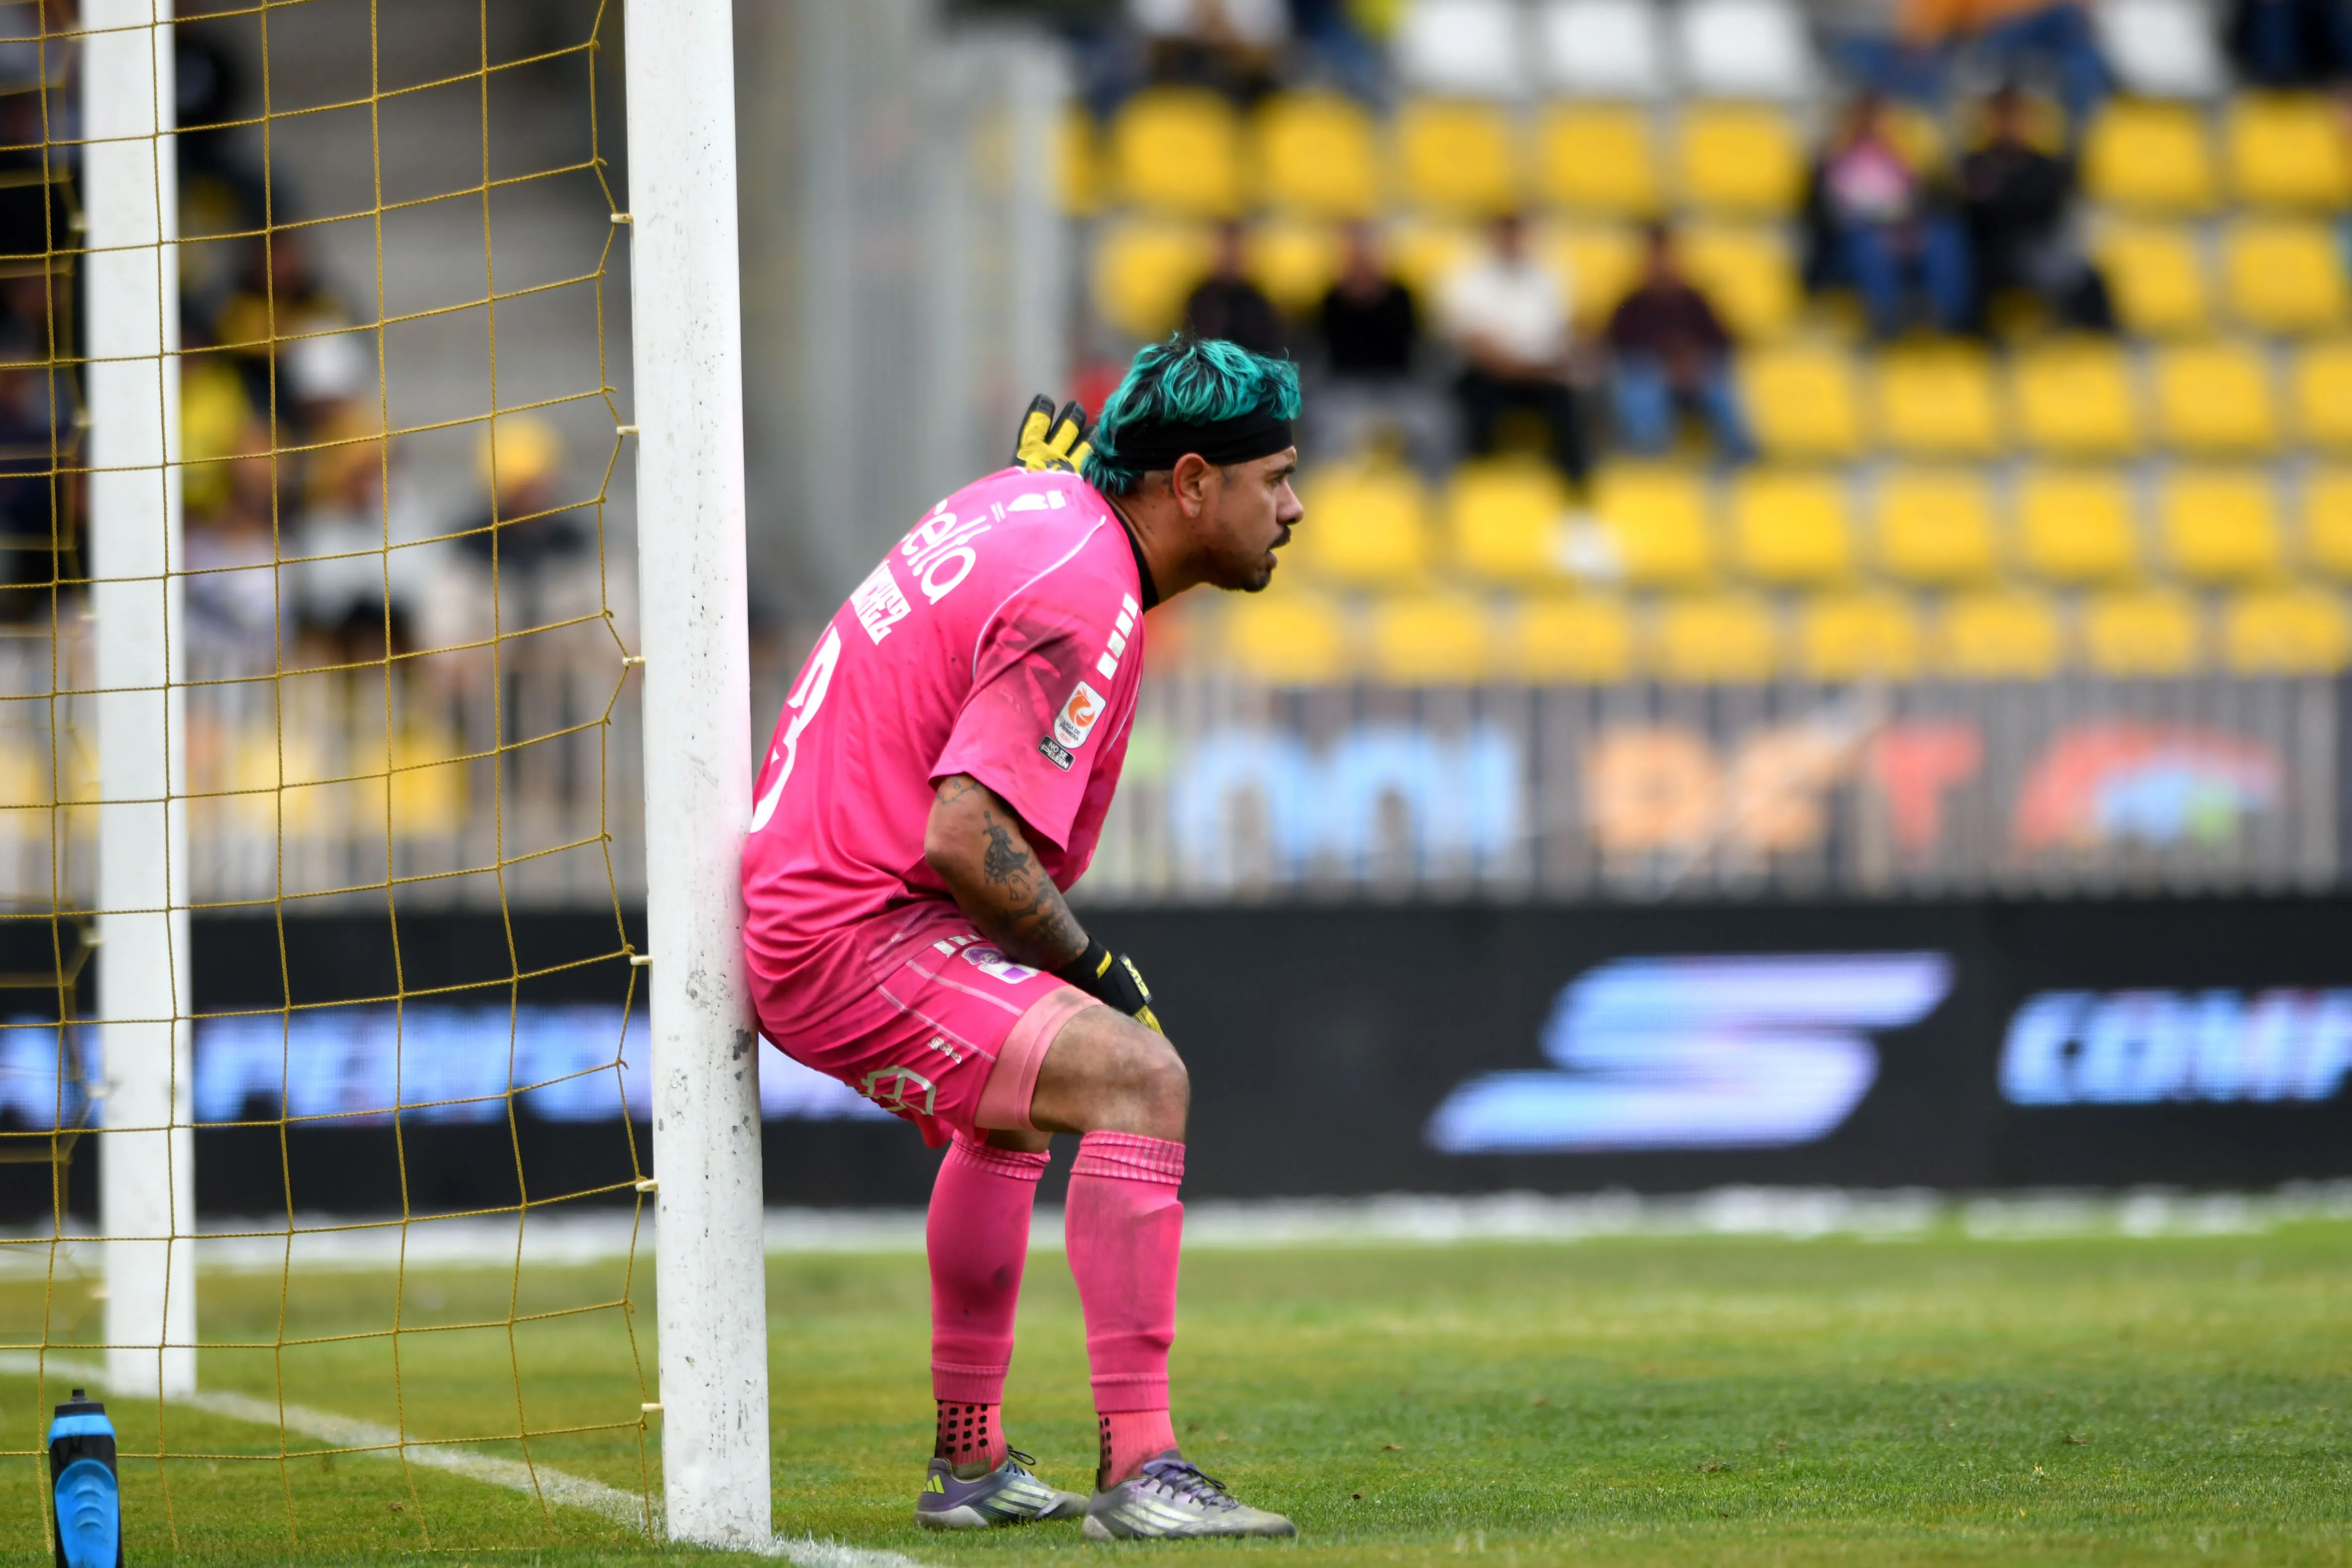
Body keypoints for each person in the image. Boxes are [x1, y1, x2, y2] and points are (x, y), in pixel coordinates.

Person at [739, 335, 1303, 1542]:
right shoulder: (1083, 581)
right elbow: (963, 835)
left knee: (1004, 1116)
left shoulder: (1045, 505)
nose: (1293, 508)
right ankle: (1142, 1468)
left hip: (826, 902)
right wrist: (1092, 969)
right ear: (1193, 482)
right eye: (1276, 477)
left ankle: (971, 1460)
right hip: (857, 929)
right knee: (1140, 1077)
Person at [1805, 95, 1973, 338]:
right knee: (1868, 246)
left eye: (1878, 119)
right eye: (1865, 119)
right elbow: (1827, 213)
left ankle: (1951, 319)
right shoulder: (1831, 162)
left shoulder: (1900, 161)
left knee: (1945, 238)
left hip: (1901, 233)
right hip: (1849, 242)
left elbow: (1919, 204)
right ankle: (1887, 321)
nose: (1872, 126)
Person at [1439, 212, 1588, 485]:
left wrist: (1536, 368)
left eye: (1516, 231)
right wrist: (1515, 368)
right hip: (1489, 376)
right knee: (1475, 408)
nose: (1511, 239)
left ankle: (1573, 491)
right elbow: (1472, 343)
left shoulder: (1549, 278)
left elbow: (1567, 334)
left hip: (1541, 376)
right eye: (1505, 231)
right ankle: (1479, 486)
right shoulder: (1469, 278)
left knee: (1570, 409)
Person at [1959, 87, 2114, 332]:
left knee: (2088, 279)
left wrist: (2001, 197)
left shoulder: (2043, 166)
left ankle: (2098, 344)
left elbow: (2044, 208)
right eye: (2003, 118)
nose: (2009, 126)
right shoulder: (1975, 163)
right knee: (1973, 273)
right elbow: (1974, 213)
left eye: (2015, 118)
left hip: (2034, 248)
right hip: (1989, 252)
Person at [1604, 224, 1755, 462]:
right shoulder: (1633, 303)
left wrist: (1692, 359)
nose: (1663, 265)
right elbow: (1618, 342)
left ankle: (1741, 456)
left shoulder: (1695, 301)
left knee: (1720, 383)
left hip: (1696, 370)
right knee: (1642, 384)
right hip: (1652, 370)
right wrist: (1664, 358)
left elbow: (1723, 340)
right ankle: (1650, 455)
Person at [1312, 221, 1448, 474]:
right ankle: (1330, 496)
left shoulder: (1402, 297)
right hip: (1345, 387)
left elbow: (1412, 349)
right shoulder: (1331, 299)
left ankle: (1432, 499)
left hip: (1398, 386)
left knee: (1435, 424)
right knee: (1328, 429)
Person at [1182, 220, 1283, 356]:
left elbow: (1269, 350)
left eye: (1235, 248)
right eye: (1225, 248)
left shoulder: (1257, 302)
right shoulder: (1200, 299)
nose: (1229, 256)